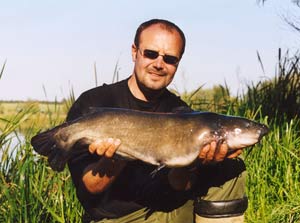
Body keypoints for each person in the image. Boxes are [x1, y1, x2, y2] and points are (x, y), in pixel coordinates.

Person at [66, 19, 248, 223]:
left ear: (177, 64)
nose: (159, 64)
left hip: (168, 211)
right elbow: (90, 189)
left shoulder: (181, 113)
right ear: (135, 52)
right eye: (151, 54)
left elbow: (179, 186)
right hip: (118, 218)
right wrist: (116, 158)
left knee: (229, 170)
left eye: (169, 59)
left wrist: (191, 163)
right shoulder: (94, 103)